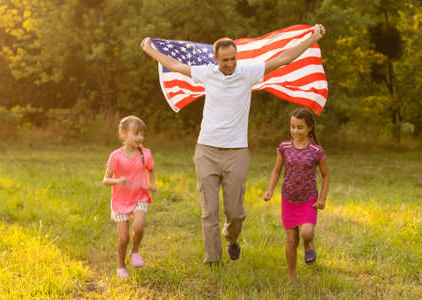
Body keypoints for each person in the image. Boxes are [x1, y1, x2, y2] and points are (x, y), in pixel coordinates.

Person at [141, 25, 326, 265]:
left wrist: (312, 37)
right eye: (225, 60)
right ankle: (213, 261)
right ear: (216, 58)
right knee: (209, 211)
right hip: (206, 149)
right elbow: (175, 66)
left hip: (236, 151)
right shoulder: (207, 72)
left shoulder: (248, 72)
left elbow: (284, 58)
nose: (230, 64)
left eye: (233, 59)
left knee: (235, 213)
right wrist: (149, 49)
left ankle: (231, 238)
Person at [263, 108, 330, 281]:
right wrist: (270, 190)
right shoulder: (284, 147)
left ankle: (308, 244)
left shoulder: (316, 151)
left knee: (306, 233)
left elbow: (325, 175)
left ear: (309, 127)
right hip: (289, 199)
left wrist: (322, 199)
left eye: (299, 127)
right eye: (292, 127)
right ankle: (292, 276)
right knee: (291, 240)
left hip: (309, 199)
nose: (295, 131)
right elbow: (277, 171)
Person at [103, 115, 158, 279]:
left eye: (142, 134)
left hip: (139, 196)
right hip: (120, 201)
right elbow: (105, 180)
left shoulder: (145, 154)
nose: (140, 137)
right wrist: (116, 180)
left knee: (139, 226)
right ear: (124, 134)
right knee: (123, 237)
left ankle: (135, 251)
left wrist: (152, 183)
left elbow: (151, 170)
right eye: (136, 133)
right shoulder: (116, 156)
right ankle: (121, 266)